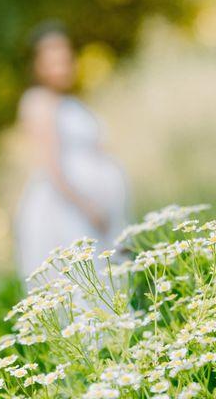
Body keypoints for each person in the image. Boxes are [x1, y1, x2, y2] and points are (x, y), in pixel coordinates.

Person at [15, 23, 128, 281]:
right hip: (64, 210)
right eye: (52, 61)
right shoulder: (38, 102)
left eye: (66, 59)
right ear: (37, 65)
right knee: (80, 282)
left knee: (103, 281)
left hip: (93, 211)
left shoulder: (71, 103)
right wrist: (87, 206)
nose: (62, 67)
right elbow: (50, 166)